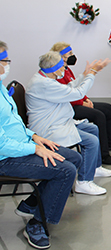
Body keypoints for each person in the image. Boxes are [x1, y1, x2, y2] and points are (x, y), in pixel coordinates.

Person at [0, 41, 82, 249]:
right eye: (4, 60)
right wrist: (35, 148)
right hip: (6, 157)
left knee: (74, 157)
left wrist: (35, 136)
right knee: (65, 171)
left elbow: (12, 124)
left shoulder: (1, 88)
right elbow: (2, 145)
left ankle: (31, 203)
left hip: (22, 144)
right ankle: (36, 224)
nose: (7, 64)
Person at [25, 51, 111, 196]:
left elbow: (68, 87)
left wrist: (84, 74)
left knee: (92, 128)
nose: (65, 68)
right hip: (49, 128)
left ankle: (94, 167)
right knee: (91, 141)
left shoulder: (45, 78)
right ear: (54, 68)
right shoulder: (43, 85)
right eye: (62, 65)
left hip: (59, 121)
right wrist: (92, 74)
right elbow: (77, 93)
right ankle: (84, 182)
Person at [50, 42, 111, 166]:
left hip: (78, 102)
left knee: (108, 108)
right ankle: (103, 154)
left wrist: (86, 99)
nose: (72, 55)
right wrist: (82, 102)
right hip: (69, 107)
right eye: (69, 54)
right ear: (61, 57)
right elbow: (67, 94)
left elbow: (76, 85)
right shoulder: (58, 73)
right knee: (98, 115)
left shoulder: (67, 70)